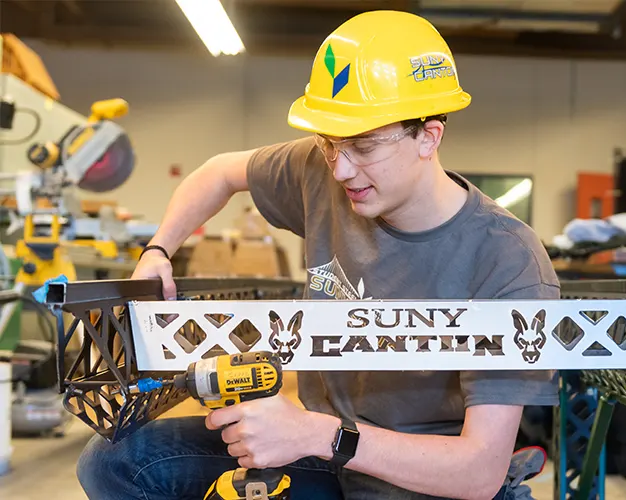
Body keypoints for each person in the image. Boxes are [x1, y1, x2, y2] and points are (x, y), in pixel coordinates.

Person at [76, 10, 560, 500]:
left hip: (421, 474)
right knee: (119, 464)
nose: (343, 170)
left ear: (428, 137)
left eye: (364, 146)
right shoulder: (322, 172)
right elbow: (219, 173)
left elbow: (477, 472)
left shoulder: (507, 258)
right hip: (324, 455)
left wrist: (318, 434)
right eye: (331, 145)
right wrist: (159, 249)